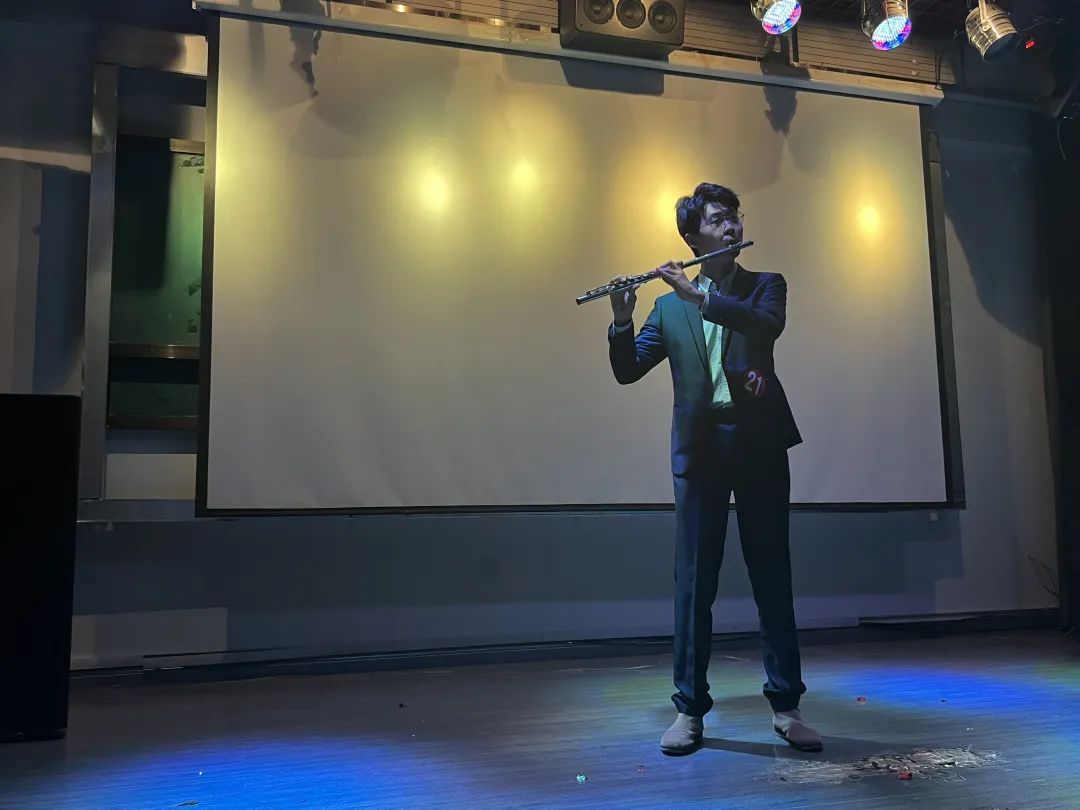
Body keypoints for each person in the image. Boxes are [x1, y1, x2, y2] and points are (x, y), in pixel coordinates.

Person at [606, 183, 821, 755]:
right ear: (693, 237)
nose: (732, 227)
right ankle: (689, 711)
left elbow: (765, 327)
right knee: (694, 582)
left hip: (759, 445)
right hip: (701, 451)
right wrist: (623, 320)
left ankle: (787, 705)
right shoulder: (668, 306)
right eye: (719, 220)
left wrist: (701, 296)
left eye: (734, 217)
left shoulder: (765, 285)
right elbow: (628, 370)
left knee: (771, 574)